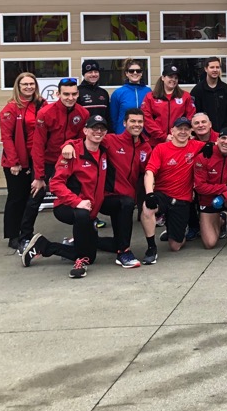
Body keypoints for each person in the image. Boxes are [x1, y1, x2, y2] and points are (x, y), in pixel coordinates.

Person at [20, 115, 109, 278]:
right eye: (94, 128)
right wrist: (77, 202)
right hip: (66, 207)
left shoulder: (104, 151)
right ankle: (79, 263)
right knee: (82, 220)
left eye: (102, 128)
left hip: (89, 211)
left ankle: (44, 246)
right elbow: (55, 184)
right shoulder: (73, 153)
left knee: (92, 256)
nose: (98, 131)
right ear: (85, 131)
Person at [58, 112, 147, 267]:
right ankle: (124, 252)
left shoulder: (145, 147)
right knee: (126, 203)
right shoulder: (111, 140)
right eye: (132, 121)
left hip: (125, 198)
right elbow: (85, 141)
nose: (136, 124)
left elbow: (150, 170)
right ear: (124, 123)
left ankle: (81, 241)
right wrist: (68, 144)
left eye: (140, 121)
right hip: (106, 197)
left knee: (115, 241)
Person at [17, 78, 89, 251]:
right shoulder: (45, 113)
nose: (70, 97)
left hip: (70, 162)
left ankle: (78, 235)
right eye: (66, 94)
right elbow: (38, 145)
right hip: (48, 162)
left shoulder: (83, 113)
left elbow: (81, 140)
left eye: (73, 94)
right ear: (58, 94)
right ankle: (25, 238)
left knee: (78, 197)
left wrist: (70, 145)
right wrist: (39, 176)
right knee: (35, 197)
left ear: (78, 94)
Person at [140, 116, 205, 263]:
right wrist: (149, 193)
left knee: (176, 245)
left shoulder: (197, 146)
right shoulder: (161, 148)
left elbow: (221, 144)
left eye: (186, 129)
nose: (183, 132)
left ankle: (173, 229)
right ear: (172, 131)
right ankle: (151, 248)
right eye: (179, 129)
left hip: (182, 199)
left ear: (191, 132)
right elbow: (149, 172)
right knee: (147, 208)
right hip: (163, 194)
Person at [0, 72, 43, 249]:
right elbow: (7, 138)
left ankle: (26, 233)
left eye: (31, 84)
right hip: (17, 162)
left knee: (32, 198)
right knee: (17, 198)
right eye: (24, 84)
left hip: (36, 158)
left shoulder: (40, 104)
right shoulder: (10, 109)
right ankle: (13, 235)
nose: (28, 87)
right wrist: (13, 162)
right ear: (18, 87)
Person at [142, 63, 196, 141]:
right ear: (163, 78)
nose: (173, 80)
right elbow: (147, 119)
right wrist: (163, 136)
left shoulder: (185, 96)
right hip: (155, 140)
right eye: (170, 77)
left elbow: (190, 116)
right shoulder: (150, 96)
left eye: (176, 78)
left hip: (179, 139)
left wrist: (181, 133)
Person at [191, 57, 227, 132]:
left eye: (217, 67)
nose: (215, 70)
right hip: (204, 133)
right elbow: (194, 114)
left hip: (224, 133)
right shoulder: (197, 90)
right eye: (212, 67)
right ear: (206, 69)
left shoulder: (225, 89)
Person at [109, 59, 151, 134]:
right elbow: (113, 118)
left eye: (138, 71)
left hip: (144, 135)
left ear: (141, 73)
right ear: (126, 73)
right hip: (123, 134)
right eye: (131, 71)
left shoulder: (148, 92)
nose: (135, 73)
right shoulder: (118, 93)